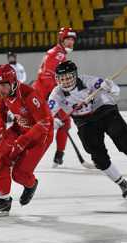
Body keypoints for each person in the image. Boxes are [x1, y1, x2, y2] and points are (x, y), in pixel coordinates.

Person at [48, 60, 127, 199]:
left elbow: (116, 90)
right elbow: (46, 115)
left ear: (76, 76)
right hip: (84, 121)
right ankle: (123, 184)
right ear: (57, 79)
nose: (66, 82)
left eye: (69, 78)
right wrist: (52, 122)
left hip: (105, 111)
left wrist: (110, 87)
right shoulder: (56, 94)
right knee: (99, 159)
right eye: (62, 79)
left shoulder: (89, 81)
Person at [0, 64, 53, 217]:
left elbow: (44, 123)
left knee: (19, 174)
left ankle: (31, 184)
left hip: (41, 135)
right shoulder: (3, 94)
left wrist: (22, 142)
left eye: (4, 85)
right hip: (20, 128)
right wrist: (1, 131)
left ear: (13, 82)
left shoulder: (29, 95)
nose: (0, 90)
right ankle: (4, 201)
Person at [33, 27, 77, 167]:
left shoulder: (59, 53)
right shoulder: (58, 54)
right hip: (44, 95)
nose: (70, 42)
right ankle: (29, 155)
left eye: (72, 40)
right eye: (67, 39)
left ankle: (58, 156)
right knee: (46, 127)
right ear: (61, 40)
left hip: (45, 94)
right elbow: (46, 77)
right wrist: (50, 101)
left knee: (64, 121)